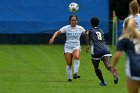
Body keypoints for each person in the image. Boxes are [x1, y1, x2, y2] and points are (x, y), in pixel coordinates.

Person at [49, 15, 86, 82]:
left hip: (76, 46)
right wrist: (52, 38)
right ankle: (69, 79)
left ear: (77, 21)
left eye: (75, 20)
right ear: (69, 21)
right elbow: (57, 32)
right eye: (72, 20)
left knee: (77, 56)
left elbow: (86, 33)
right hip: (68, 47)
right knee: (69, 63)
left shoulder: (80, 28)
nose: (73, 22)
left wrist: (90, 36)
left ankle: (75, 73)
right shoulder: (66, 28)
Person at [86, 17, 118, 86]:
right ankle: (115, 75)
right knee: (108, 64)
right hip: (105, 49)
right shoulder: (101, 31)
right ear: (98, 23)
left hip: (96, 50)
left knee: (96, 67)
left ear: (91, 23)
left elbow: (87, 34)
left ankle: (102, 82)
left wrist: (87, 45)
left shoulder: (90, 30)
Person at [112, 18, 140, 93]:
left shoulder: (124, 39)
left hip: (134, 70)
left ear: (124, 27)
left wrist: (113, 67)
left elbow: (117, 55)